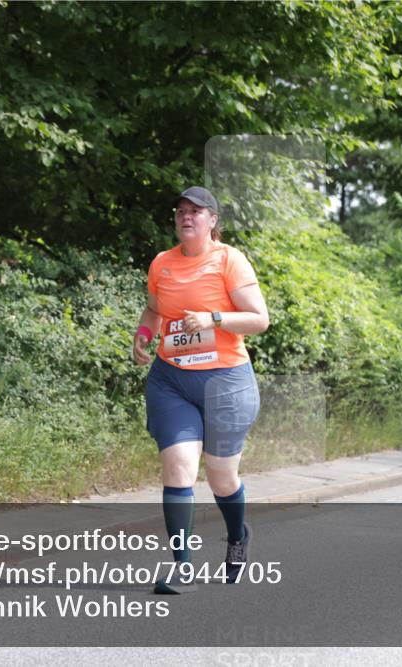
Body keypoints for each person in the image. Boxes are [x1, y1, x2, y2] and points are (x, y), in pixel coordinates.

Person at [131, 186, 268, 593]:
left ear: (213, 221)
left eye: (197, 211)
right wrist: (142, 333)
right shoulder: (162, 264)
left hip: (225, 382)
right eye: (181, 211)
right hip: (171, 379)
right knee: (178, 469)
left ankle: (238, 537)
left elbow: (259, 319)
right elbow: (155, 310)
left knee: (221, 478)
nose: (186, 217)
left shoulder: (229, 260)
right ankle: (183, 568)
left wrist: (214, 318)